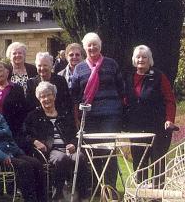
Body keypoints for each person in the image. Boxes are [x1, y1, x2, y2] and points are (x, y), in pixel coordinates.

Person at [70, 32, 124, 190]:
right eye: (89, 45)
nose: (92, 47)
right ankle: (96, 187)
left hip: (110, 116)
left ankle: (110, 188)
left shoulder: (111, 64)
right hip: (89, 117)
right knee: (92, 153)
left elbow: (121, 89)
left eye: (95, 44)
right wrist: (76, 119)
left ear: (100, 46)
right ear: (85, 47)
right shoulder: (79, 69)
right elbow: (75, 97)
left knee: (108, 152)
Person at [24, 81, 90, 201]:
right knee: (61, 158)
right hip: (50, 151)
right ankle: (57, 197)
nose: (46, 99)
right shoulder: (33, 116)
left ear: (54, 96)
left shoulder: (64, 114)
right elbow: (24, 134)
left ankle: (83, 196)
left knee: (79, 157)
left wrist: (73, 144)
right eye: (43, 96)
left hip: (69, 149)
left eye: (49, 95)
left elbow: (75, 134)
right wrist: (35, 141)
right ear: (39, 99)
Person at [124, 45, 176, 178]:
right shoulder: (129, 77)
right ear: (134, 59)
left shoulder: (158, 76)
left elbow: (170, 100)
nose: (141, 59)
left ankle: (157, 196)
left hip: (158, 126)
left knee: (157, 162)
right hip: (136, 127)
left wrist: (169, 119)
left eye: (144, 57)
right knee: (139, 163)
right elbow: (125, 100)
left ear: (150, 59)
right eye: (138, 57)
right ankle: (141, 195)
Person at [0, 60, 28, 146]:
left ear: (7, 72)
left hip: (11, 128)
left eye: (0, 71)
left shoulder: (17, 89)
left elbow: (22, 111)